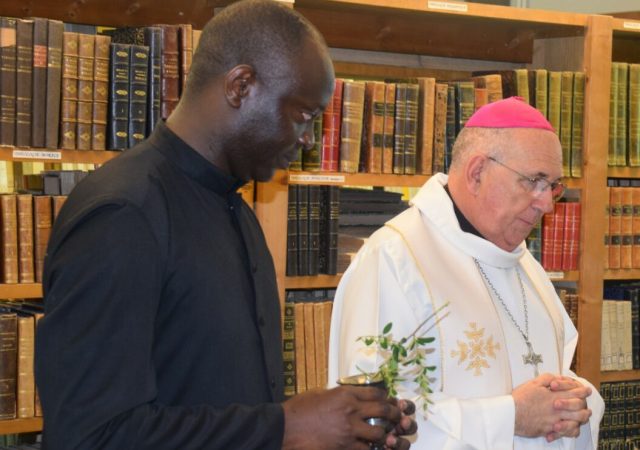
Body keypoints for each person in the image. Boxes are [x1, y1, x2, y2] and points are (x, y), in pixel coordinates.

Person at [34, 1, 416, 448]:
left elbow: (218, 398)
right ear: (240, 86)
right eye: (303, 116)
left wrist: (333, 429)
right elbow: (90, 435)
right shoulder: (124, 215)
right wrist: (286, 428)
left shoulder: (236, 209)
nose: (308, 139)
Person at [328, 96, 605, 449]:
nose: (546, 203)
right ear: (477, 173)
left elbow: (552, 370)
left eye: (552, 186)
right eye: (534, 181)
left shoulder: (527, 268)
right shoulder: (395, 260)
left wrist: (575, 403)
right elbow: (373, 415)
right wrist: (510, 417)